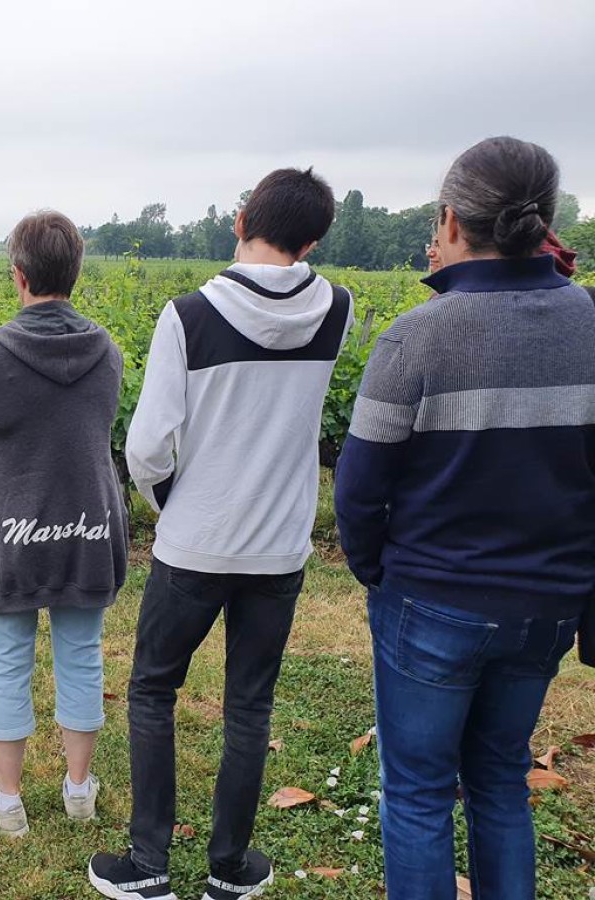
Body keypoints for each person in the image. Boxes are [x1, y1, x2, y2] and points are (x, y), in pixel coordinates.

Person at [335, 136, 595, 899]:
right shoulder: (590, 324)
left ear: (451, 221)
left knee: (418, 793)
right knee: (501, 781)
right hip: (546, 605)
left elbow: (358, 488)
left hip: (431, 600)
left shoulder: (417, 336)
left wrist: (377, 569)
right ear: (542, 220)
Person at [89, 169, 351, 900]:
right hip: (280, 546)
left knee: (153, 691)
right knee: (249, 705)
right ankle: (229, 867)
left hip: (195, 543)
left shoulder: (189, 315)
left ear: (240, 220)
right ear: (314, 239)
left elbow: (145, 447)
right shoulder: (340, 310)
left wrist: (173, 500)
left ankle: (147, 866)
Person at [0, 210, 128, 838]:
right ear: (75, 273)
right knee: (81, 656)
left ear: (18, 275)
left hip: (10, 534)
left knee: (7, 662)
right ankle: (79, 789)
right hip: (88, 528)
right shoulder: (106, 351)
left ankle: (8, 801)